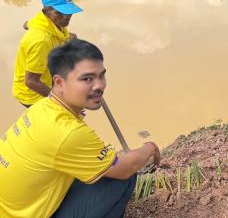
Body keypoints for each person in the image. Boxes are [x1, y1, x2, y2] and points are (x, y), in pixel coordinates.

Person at [0, 39, 161, 217]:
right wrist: (150, 147)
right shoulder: (68, 132)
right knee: (124, 175)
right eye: (87, 79)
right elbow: (125, 168)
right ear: (59, 82)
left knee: (103, 165)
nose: (100, 85)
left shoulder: (41, 107)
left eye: (101, 75)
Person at [12, 0, 82, 108]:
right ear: (46, 11)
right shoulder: (41, 41)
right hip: (32, 94)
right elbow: (31, 82)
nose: (66, 17)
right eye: (60, 12)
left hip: (46, 77)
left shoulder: (49, 21)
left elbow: (26, 24)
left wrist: (66, 38)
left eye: (69, 11)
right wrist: (62, 102)